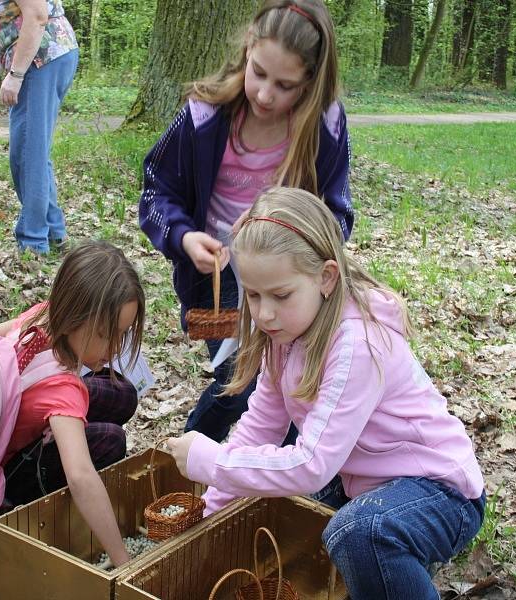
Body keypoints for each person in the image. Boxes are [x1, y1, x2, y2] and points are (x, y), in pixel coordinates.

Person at [166, 188, 486, 600]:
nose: (263, 313)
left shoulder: (356, 343)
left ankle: (390, 559)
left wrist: (209, 460)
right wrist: (210, 517)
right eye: (253, 294)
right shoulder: (284, 334)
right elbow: (260, 428)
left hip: (440, 494)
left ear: (326, 277)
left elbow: (312, 464)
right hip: (363, 482)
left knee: (356, 533)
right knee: (292, 512)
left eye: (280, 295)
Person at [139, 0, 353, 443]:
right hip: (219, 275)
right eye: (258, 73)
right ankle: (191, 459)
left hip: (291, 272)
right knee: (242, 379)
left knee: (298, 383)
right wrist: (184, 237)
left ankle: (286, 479)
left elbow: (337, 213)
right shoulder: (205, 115)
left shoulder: (324, 126)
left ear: (311, 82)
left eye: (285, 85)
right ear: (247, 49)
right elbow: (156, 190)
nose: (265, 94)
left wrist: (307, 256)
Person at [0, 240, 144, 566]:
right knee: (110, 439)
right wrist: (124, 561)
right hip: (7, 472)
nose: (115, 347)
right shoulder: (63, 389)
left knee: (123, 394)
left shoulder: (44, 313)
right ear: (75, 316)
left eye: (123, 334)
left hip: (5, 427)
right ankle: (21, 501)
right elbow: (81, 476)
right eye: (105, 334)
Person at [0, 0, 79, 255]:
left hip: (41, 59)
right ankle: (53, 232)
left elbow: (38, 16)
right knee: (34, 151)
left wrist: (16, 75)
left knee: (28, 155)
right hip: (45, 57)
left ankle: (34, 242)